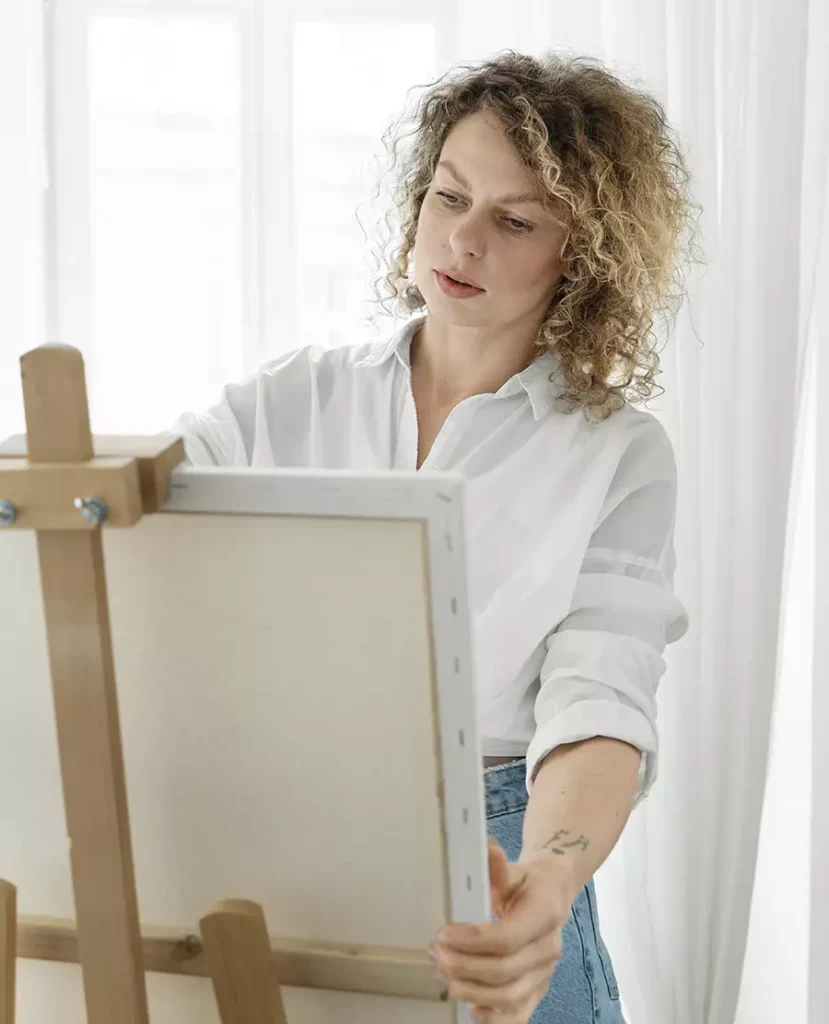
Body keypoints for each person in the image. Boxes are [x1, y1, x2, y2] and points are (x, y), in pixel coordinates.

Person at [168, 50, 698, 1024]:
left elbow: (600, 703)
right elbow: (127, 511)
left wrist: (546, 879)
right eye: (447, 197)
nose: (461, 239)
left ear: (580, 254)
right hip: (287, 855)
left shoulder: (617, 453)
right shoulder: (294, 395)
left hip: (495, 859)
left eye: (514, 219)